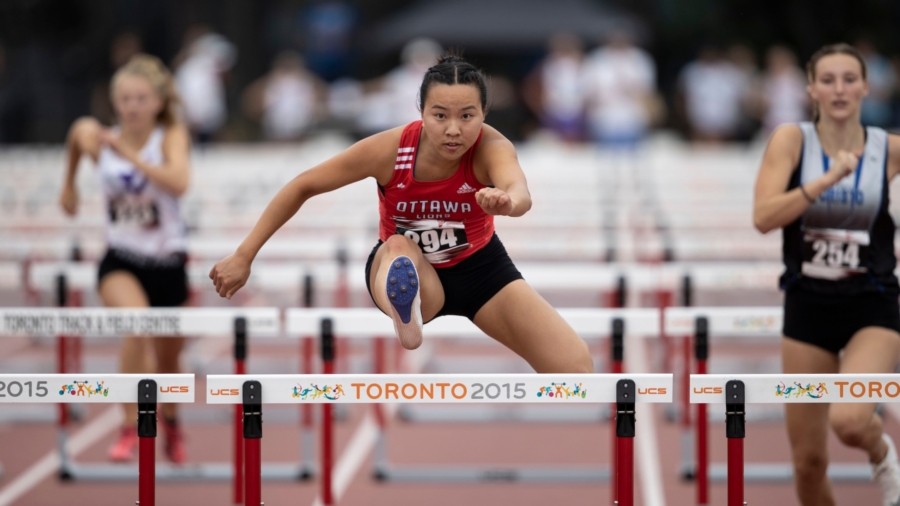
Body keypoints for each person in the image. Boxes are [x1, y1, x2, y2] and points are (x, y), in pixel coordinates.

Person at [210, 54, 593, 374]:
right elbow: (303, 185)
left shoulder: (492, 147)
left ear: (484, 114)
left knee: (577, 370)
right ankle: (404, 303)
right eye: (440, 115)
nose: (454, 131)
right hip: (408, 264)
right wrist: (244, 255)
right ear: (421, 112)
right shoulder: (390, 149)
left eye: (467, 116)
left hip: (480, 270)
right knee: (398, 246)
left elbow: (520, 192)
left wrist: (507, 202)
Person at [753, 43, 900, 506]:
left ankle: (881, 452)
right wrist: (823, 181)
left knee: (851, 420)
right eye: (829, 80)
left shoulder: (889, 148)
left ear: (866, 86)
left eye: (849, 79)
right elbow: (763, 216)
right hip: (807, 307)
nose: (840, 89)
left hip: (871, 305)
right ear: (811, 88)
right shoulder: (790, 141)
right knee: (809, 464)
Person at [59, 54, 191, 464]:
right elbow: (78, 132)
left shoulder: (170, 136)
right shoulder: (101, 138)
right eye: (125, 98)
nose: (132, 106)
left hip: (168, 265)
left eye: (140, 98)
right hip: (121, 261)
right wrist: (70, 186)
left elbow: (179, 182)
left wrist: (129, 155)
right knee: (136, 328)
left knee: (169, 360)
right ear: (115, 102)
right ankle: (129, 424)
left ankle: (171, 421)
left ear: (158, 102)